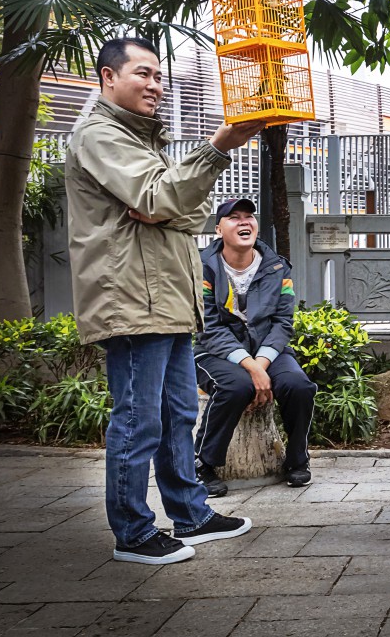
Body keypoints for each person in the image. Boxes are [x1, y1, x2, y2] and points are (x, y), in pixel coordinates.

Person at [65, 36, 263, 565]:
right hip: (130, 299)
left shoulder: (141, 139)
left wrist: (165, 205)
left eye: (158, 76)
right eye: (142, 74)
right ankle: (132, 530)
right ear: (108, 78)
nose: (155, 84)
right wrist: (216, 147)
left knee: (178, 412)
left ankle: (189, 513)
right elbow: (160, 198)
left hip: (168, 298)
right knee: (138, 418)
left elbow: (185, 212)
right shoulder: (100, 136)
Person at [194, 198, 316, 495]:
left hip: (268, 350)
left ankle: (298, 461)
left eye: (249, 216)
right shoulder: (201, 268)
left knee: (299, 386)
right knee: (236, 387)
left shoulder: (277, 267)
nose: (244, 222)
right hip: (214, 352)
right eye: (234, 218)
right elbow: (209, 327)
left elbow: (282, 322)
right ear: (219, 228)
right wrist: (250, 368)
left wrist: (260, 364)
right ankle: (201, 463)